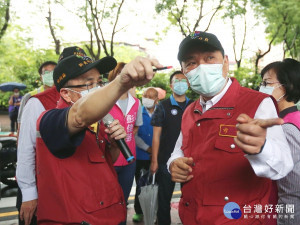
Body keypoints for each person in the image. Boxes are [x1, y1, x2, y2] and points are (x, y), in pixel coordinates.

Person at [167, 31, 293, 224]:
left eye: (210, 58)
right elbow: (178, 151)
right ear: (184, 72)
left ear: (225, 62)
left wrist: (262, 147)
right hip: (192, 216)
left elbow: (283, 166)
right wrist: (173, 165)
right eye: (191, 62)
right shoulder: (190, 111)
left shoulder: (258, 103)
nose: (201, 67)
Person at [35, 55, 162, 224]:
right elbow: (79, 115)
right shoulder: (50, 120)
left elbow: (108, 161)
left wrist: (115, 145)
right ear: (66, 94)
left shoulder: (100, 123)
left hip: (109, 215)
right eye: (89, 83)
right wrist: (121, 82)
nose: (97, 89)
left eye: (99, 82)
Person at [16, 46, 87, 225]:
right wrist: (29, 193)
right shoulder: (37, 102)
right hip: (48, 188)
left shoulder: (92, 102)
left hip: (79, 190)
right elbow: (26, 149)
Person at [260, 58, 300, 225]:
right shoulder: (292, 119)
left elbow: (291, 188)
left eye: (267, 83)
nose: (261, 88)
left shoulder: (286, 128)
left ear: (285, 86)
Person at [150, 71, 192, 225]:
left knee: (190, 198)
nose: (180, 83)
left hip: (189, 161)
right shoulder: (162, 106)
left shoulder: (194, 105)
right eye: (177, 80)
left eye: (183, 80)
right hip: (165, 160)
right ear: (171, 85)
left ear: (188, 84)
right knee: (164, 199)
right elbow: (156, 136)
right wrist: (154, 161)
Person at [107, 62, 143, 225]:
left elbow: (135, 126)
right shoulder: (104, 101)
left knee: (123, 200)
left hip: (129, 160)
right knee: (107, 201)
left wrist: (126, 136)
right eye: (119, 72)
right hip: (108, 159)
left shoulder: (136, 103)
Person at [132, 87, 158, 223]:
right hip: (141, 155)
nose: (147, 98)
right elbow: (133, 134)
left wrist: (156, 151)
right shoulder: (138, 111)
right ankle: (139, 211)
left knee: (157, 184)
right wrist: (148, 148)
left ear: (156, 99)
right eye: (145, 95)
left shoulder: (161, 112)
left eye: (150, 96)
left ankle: (156, 210)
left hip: (158, 156)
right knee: (141, 184)